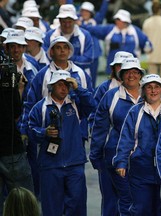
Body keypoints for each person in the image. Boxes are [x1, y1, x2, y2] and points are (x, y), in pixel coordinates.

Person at [20, 35, 93, 199]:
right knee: (52, 191)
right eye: (58, 47)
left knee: (74, 195)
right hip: (49, 138)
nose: (62, 51)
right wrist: (30, 130)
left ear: (70, 51)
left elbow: (91, 104)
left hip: (76, 135)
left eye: (65, 47)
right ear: (51, 51)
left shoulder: (79, 74)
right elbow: (31, 103)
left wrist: (84, 131)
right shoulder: (42, 75)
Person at [28, 70, 96, 216]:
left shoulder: (75, 104)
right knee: (51, 208)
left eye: (67, 85)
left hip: (74, 164)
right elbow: (30, 131)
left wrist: (78, 89)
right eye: (60, 84)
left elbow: (92, 105)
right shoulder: (41, 107)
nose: (64, 88)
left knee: (77, 206)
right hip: (50, 165)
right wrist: (43, 132)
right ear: (51, 86)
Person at [113, 74, 161, 215]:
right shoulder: (135, 112)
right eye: (149, 87)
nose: (153, 91)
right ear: (144, 90)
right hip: (140, 170)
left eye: (157, 87)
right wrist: (121, 162)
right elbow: (126, 138)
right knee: (140, 209)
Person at [90, 57, 144, 215]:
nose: (131, 75)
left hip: (143, 159)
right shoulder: (111, 96)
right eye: (127, 72)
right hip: (115, 157)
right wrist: (96, 156)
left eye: (135, 72)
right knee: (114, 200)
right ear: (121, 75)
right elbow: (100, 128)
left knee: (141, 201)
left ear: (140, 75)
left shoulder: (149, 94)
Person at [0, 65, 34, 215]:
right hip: (10, 149)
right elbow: (16, 113)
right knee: (24, 201)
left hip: (10, 149)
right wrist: (18, 89)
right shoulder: (7, 78)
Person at [81, 9, 153, 74]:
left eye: (119, 19)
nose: (117, 21)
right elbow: (94, 29)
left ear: (126, 21)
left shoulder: (135, 31)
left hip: (131, 68)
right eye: (116, 19)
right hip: (113, 68)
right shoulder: (110, 29)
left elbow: (147, 43)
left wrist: (148, 47)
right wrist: (81, 25)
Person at [43, 4, 95, 78]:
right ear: (59, 20)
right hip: (55, 77)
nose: (67, 25)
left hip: (79, 76)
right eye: (64, 22)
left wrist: (64, 57)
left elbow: (88, 60)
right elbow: (45, 58)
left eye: (69, 22)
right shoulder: (49, 35)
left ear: (75, 21)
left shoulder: (85, 35)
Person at [88, 51, 133, 128]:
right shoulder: (103, 88)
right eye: (119, 65)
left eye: (126, 66)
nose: (122, 69)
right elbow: (93, 116)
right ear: (113, 68)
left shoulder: (142, 90)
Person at [77, 0, 109, 87]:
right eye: (83, 11)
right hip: (81, 54)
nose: (84, 13)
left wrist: (106, 1)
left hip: (94, 54)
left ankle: (92, 97)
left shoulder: (95, 21)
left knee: (93, 78)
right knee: (79, 78)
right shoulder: (76, 20)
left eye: (87, 11)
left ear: (91, 13)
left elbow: (103, 11)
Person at [3, 29, 38, 102]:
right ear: (7, 49)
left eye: (19, 46)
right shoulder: (2, 69)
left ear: (24, 48)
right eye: (12, 46)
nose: (16, 50)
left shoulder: (33, 66)